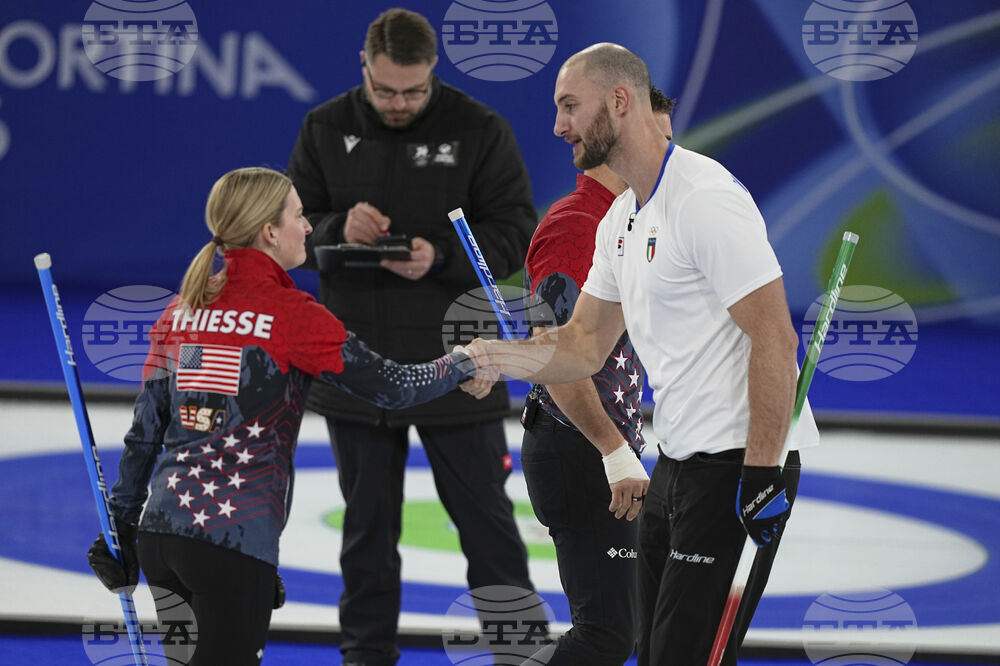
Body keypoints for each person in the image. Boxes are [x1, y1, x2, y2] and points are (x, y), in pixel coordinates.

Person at [462, 43, 820, 665]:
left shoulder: (704, 197)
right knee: (649, 651)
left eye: (570, 106)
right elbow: (582, 344)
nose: (558, 126)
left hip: (737, 466)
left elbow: (776, 337)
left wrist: (761, 474)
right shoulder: (619, 219)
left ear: (619, 102)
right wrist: (500, 356)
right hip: (676, 461)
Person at [85, 167, 488, 666]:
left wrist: (119, 524)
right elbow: (393, 388)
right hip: (229, 542)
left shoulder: (182, 310)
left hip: (163, 537)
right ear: (269, 232)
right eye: (298, 216)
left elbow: (144, 434)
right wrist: (467, 360)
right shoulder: (292, 314)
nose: (309, 227)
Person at [284, 8, 537, 665]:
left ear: (433, 74)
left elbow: (515, 232)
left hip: (458, 361)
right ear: (363, 68)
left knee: (488, 529)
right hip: (357, 365)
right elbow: (290, 234)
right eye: (386, 89)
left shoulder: (480, 129)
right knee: (365, 535)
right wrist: (337, 227)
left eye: (414, 91)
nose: (399, 103)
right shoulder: (325, 127)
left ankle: (520, 655)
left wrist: (441, 257)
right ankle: (366, 659)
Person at [517, 87, 674, 666]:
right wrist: (612, 450)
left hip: (608, 444)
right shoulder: (576, 228)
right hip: (580, 449)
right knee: (607, 634)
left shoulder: (638, 218)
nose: (667, 150)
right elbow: (553, 357)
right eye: (657, 136)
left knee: (623, 630)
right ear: (619, 135)